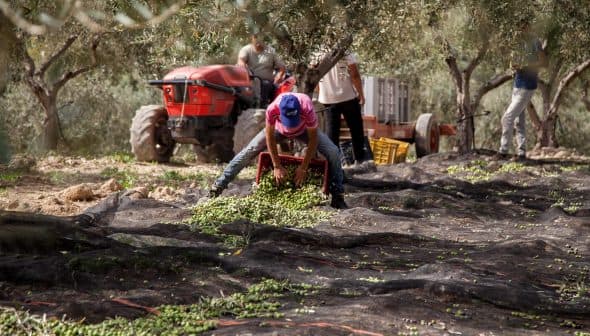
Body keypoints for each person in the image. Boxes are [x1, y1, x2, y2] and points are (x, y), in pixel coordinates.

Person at [209, 93, 348, 209]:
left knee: (333, 151)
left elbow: (313, 140)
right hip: (278, 131)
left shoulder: (307, 107)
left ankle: (338, 195)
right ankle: (218, 186)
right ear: (280, 113)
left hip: (303, 131)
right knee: (249, 150)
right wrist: (276, 165)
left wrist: (304, 168)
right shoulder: (272, 109)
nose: (291, 125)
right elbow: (269, 137)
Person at [495, 23, 547, 161]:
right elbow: (512, 63)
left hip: (528, 86)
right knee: (519, 120)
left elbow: (543, 62)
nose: (520, 29)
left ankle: (503, 151)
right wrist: (513, 64)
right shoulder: (517, 43)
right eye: (518, 27)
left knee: (507, 117)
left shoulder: (535, 42)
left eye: (523, 27)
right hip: (517, 84)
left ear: (528, 27)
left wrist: (526, 65)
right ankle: (521, 153)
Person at [317, 49, 367, 165]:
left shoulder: (317, 52)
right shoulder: (345, 51)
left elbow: (315, 75)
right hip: (347, 96)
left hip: (328, 99)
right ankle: (360, 160)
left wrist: (321, 93)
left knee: (332, 133)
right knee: (356, 129)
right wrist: (361, 94)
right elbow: (354, 74)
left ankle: (333, 164)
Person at [237, 34, 286, 107]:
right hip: (251, 80)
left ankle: (262, 107)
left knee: (265, 85)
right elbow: (241, 61)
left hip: (266, 82)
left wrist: (279, 75)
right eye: (256, 38)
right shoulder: (246, 49)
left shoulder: (271, 51)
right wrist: (244, 68)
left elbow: (282, 67)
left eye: (260, 38)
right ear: (252, 38)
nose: (258, 40)